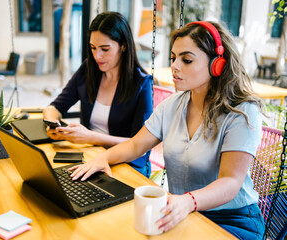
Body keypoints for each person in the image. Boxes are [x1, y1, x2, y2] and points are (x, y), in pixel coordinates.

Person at [69, 21, 266, 239]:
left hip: (233, 219)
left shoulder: (242, 112)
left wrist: (188, 201)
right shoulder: (172, 105)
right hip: (184, 211)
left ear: (217, 64)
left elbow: (230, 182)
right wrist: (102, 158)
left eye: (187, 60)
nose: (175, 66)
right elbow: (136, 145)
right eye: (173, 58)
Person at [43, 12, 154, 177]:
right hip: (91, 155)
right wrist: (53, 125)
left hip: (126, 163)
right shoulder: (88, 70)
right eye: (93, 48)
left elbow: (140, 145)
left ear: (123, 45)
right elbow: (55, 107)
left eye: (105, 49)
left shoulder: (142, 84)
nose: (97, 56)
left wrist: (91, 137)